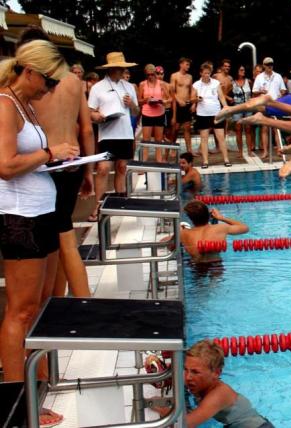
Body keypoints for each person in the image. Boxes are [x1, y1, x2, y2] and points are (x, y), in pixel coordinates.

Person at [0, 39, 77, 427]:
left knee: (44, 304)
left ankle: (39, 388)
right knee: (21, 310)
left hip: (42, 212)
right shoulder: (3, 104)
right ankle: (17, 400)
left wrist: (57, 160)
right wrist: (50, 154)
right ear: (28, 71)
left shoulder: (24, 105)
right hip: (21, 219)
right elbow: (5, 166)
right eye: (48, 81)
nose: (50, 89)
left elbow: (25, 163)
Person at [20, 28, 94, 300]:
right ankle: (59, 300)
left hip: (45, 166)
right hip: (73, 163)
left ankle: (84, 303)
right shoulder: (74, 81)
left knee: (62, 240)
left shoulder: (27, 84)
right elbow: (86, 130)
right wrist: (88, 170)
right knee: (60, 236)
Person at [151, 340, 273, 427]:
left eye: (195, 372)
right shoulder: (201, 382)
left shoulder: (218, 394)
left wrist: (164, 410)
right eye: (186, 369)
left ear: (216, 373)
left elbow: (183, 425)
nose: (188, 377)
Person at [88, 52, 140, 222]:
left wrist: (131, 104)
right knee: (103, 169)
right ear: (110, 69)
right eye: (118, 67)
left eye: (122, 67)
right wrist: (97, 116)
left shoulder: (129, 87)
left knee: (121, 168)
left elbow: (136, 112)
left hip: (125, 133)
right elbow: (90, 112)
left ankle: (120, 201)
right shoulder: (98, 87)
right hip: (107, 134)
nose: (121, 70)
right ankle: (98, 206)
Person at [179, 200, 248, 263]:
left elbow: (170, 246)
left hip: (196, 266)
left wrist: (178, 231)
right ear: (208, 214)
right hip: (216, 264)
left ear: (190, 218)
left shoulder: (183, 233)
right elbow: (245, 228)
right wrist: (221, 218)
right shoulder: (220, 228)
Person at [192, 62, 230, 168]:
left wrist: (226, 107)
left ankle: (226, 159)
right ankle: (205, 161)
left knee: (221, 137)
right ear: (201, 73)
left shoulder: (216, 83)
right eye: (205, 73)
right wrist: (196, 99)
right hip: (202, 114)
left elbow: (221, 97)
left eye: (208, 73)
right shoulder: (196, 84)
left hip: (216, 113)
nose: (207, 75)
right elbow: (192, 98)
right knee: (204, 139)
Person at [252, 57, 285, 159]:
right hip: (264, 105)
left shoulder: (278, 76)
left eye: (271, 64)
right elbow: (254, 91)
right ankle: (265, 151)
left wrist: (281, 94)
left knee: (277, 128)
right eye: (268, 65)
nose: (270, 66)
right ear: (264, 66)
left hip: (276, 104)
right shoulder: (259, 77)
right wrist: (261, 92)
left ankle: (280, 150)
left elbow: (283, 89)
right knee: (264, 129)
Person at [138, 64, 169, 162]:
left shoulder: (162, 84)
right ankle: (143, 164)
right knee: (146, 141)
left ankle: (159, 162)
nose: (150, 76)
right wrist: (146, 100)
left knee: (158, 141)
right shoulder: (142, 84)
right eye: (148, 75)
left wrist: (164, 101)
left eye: (152, 74)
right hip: (147, 113)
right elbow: (138, 101)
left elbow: (170, 98)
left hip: (159, 113)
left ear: (156, 74)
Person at [170, 57, 195, 154]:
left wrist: (193, 103)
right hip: (177, 105)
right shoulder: (174, 76)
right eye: (186, 64)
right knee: (175, 129)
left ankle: (189, 150)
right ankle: (173, 148)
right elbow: (171, 91)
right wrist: (178, 100)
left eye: (189, 65)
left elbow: (191, 91)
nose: (188, 66)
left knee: (187, 128)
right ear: (181, 64)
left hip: (187, 104)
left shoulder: (190, 77)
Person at [231, 65, 253, 157]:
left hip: (248, 107)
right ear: (237, 71)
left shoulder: (248, 81)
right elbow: (223, 93)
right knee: (238, 130)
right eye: (241, 70)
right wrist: (230, 98)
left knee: (248, 129)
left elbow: (253, 92)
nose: (243, 71)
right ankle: (240, 152)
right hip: (237, 107)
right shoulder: (232, 82)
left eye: (244, 70)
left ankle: (249, 151)